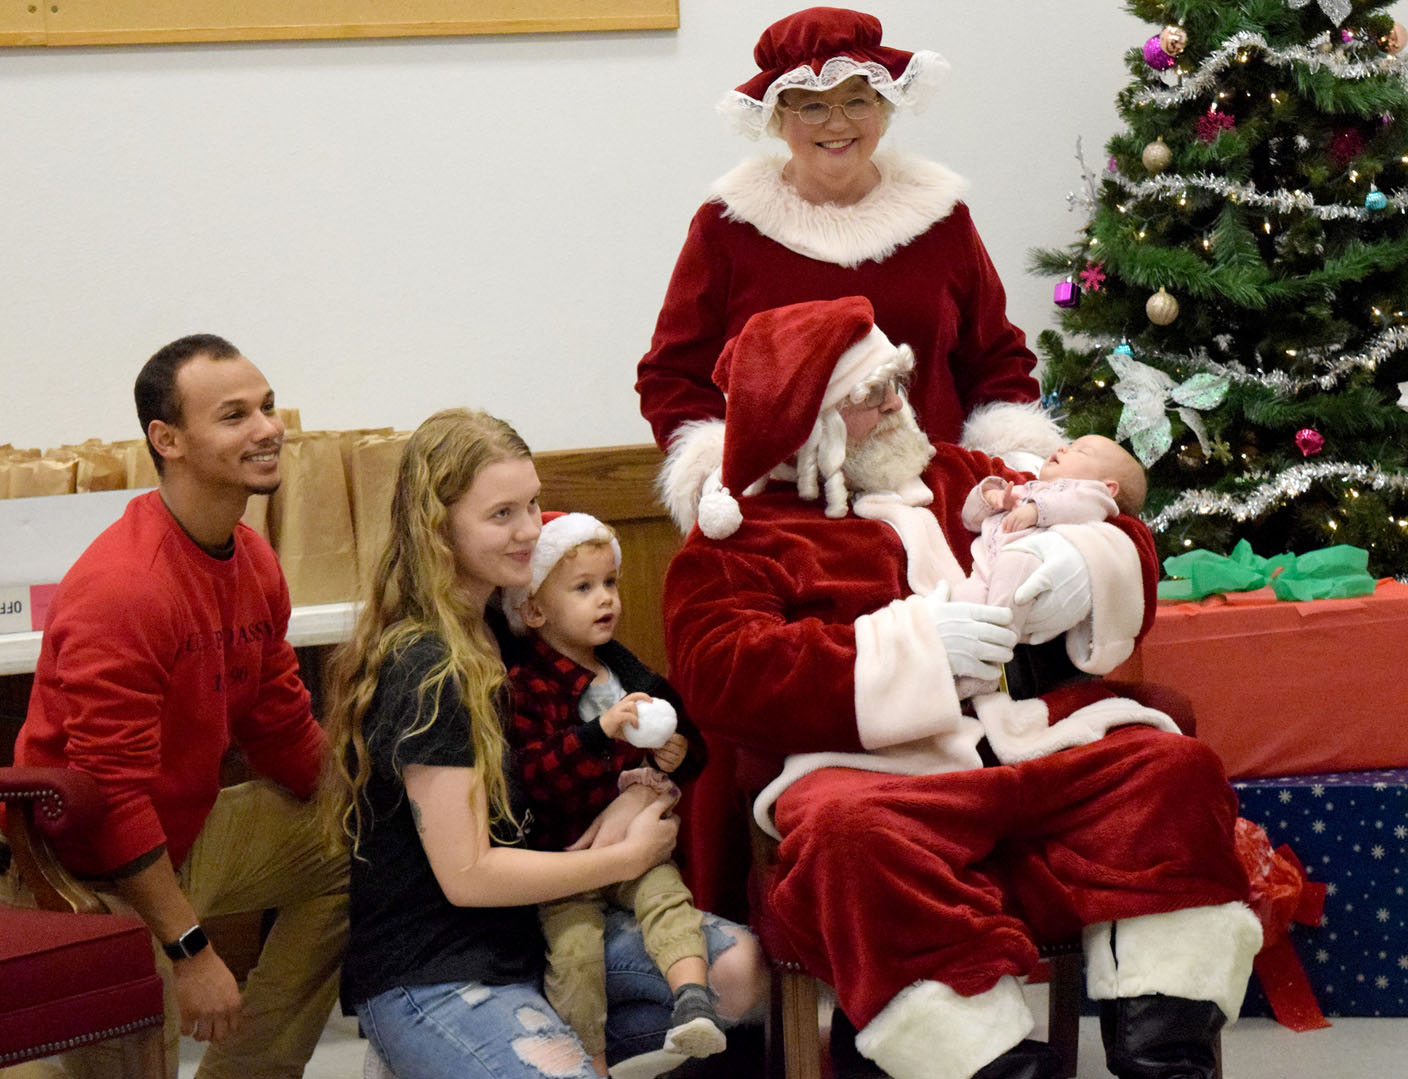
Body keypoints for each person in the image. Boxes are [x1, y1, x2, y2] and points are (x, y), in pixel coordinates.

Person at [662, 297, 1260, 1079]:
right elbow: (721, 670)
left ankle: (1166, 1054)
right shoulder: (739, 536)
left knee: (1170, 772)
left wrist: (1090, 564)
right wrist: (907, 651)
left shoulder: (963, 473)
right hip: (873, 774)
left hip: (1037, 744)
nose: (895, 406)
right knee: (848, 837)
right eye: (869, 396)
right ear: (807, 421)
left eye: (896, 385)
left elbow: (1111, 520)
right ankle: (992, 1063)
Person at [319, 408, 765, 1079]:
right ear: (438, 527)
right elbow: (467, 875)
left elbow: (567, 760)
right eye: (502, 514)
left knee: (743, 973)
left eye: (532, 503)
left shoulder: (505, 623)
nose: (531, 529)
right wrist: (625, 856)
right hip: (436, 964)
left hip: (530, 930)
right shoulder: (428, 665)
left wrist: (628, 798)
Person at [7, 334, 348, 1079]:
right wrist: (191, 947)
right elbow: (110, 798)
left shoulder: (252, 558)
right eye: (233, 415)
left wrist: (382, 808)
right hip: (84, 871)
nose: (266, 427)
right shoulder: (127, 586)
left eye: (266, 406)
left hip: (183, 833)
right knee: (132, 1053)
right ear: (168, 440)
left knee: (352, 850)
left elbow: (281, 722)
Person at [636, 6, 1062, 536]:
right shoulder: (727, 229)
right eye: (811, 107)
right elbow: (671, 374)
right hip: (786, 521)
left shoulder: (942, 220)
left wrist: (1009, 453)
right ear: (777, 119)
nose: (837, 123)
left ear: (884, 109)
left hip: (945, 506)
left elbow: (996, 356)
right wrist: (717, 467)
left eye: (856, 100)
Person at [502, 511, 725, 1075]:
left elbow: (690, 744)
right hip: (566, 862)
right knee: (575, 955)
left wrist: (675, 754)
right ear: (534, 609)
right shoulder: (527, 686)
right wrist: (598, 733)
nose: (606, 599)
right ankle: (592, 1062)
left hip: (636, 847)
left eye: (609, 583)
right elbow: (536, 777)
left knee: (668, 900)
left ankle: (692, 1001)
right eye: (583, 588)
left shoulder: (625, 669)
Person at [952, 434, 1148, 697]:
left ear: (1109, 487)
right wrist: (992, 497)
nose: (1064, 448)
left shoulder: (1090, 495)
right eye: (1070, 444)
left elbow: (1077, 506)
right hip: (985, 570)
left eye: (1082, 451)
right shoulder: (1025, 489)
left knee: (1012, 572)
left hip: (1028, 563)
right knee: (960, 601)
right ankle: (965, 672)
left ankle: (992, 658)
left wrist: (1036, 511)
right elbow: (969, 520)